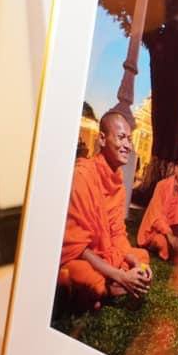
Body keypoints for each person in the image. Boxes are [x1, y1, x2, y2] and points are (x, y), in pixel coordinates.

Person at [58, 110, 152, 310]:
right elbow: (78, 247)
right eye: (121, 137)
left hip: (106, 255)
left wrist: (136, 264)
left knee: (142, 256)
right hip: (82, 257)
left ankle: (109, 287)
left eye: (129, 139)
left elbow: (117, 233)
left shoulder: (118, 185)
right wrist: (119, 275)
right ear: (102, 139)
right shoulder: (83, 176)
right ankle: (108, 288)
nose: (127, 145)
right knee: (83, 275)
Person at [137, 157, 178, 262]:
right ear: (175, 168)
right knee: (161, 242)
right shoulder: (162, 186)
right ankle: (176, 253)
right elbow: (156, 218)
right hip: (157, 232)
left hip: (175, 232)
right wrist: (169, 234)